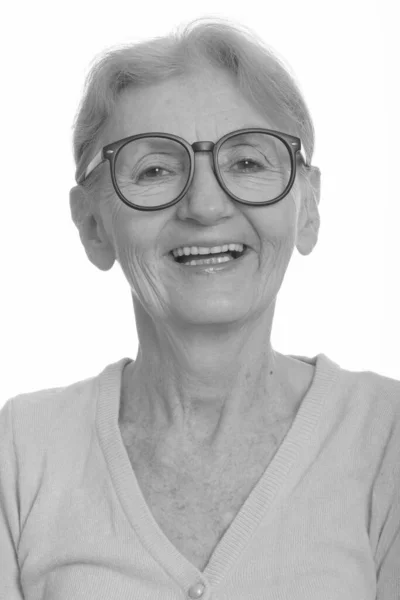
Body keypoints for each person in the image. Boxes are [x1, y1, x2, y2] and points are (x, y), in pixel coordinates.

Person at [1, 16, 399, 600]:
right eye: (156, 169)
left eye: (246, 162)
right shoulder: (20, 449)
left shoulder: (387, 436)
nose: (206, 205)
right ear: (92, 224)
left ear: (308, 209)